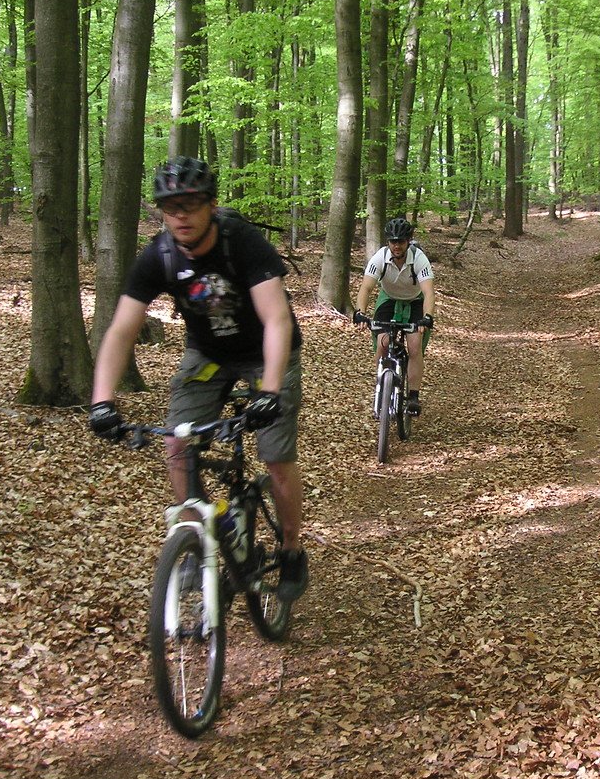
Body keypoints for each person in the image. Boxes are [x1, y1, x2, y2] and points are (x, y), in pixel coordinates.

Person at [88, 156, 308, 603]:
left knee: (275, 457)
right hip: (208, 355)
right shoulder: (160, 255)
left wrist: (269, 391)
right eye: (171, 208)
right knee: (178, 442)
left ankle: (290, 548)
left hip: (267, 353)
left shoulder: (241, 242)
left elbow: (276, 320)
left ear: (211, 204)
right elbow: (121, 330)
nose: (181, 216)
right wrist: (102, 401)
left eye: (190, 204)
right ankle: (195, 538)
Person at [354, 217, 436, 416]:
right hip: (389, 299)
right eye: (393, 241)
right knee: (382, 343)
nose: (396, 246)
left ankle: (414, 396)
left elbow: (428, 292)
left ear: (408, 241)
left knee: (414, 345)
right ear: (388, 241)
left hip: (415, 300)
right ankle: (381, 386)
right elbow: (366, 288)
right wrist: (360, 312)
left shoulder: (419, 259)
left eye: (401, 241)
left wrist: (427, 316)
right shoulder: (380, 258)